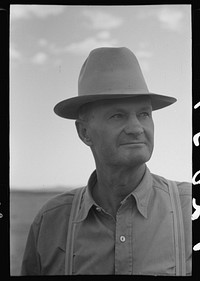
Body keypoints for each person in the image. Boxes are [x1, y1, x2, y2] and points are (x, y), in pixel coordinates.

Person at [21, 47, 192, 276]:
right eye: (117, 115)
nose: (136, 128)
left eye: (144, 114)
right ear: (84, 132)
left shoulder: (189, 208)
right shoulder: (50, 223)